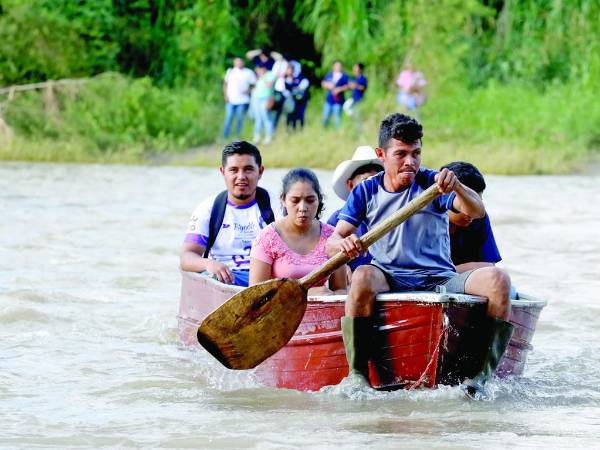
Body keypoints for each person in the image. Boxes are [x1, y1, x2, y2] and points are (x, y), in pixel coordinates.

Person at [326, 113, 513, 399]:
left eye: (416, 153)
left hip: (439, 278)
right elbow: (333, 239)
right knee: (362, 276)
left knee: (499, 281)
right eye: (400, 154)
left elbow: (476, 211)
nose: (410, 162)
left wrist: (458, 187)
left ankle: (481, 378)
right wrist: (343, 244)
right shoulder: (365, 190)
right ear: (381, 155)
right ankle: (357, 376)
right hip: (388, 276)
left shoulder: (431, 182)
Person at [180, 141, 281, 287]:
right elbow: (186, 257)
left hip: (267, 281)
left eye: (248, 169)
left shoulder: (277, 205)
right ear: (223, 172)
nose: (241, 177)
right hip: (225, 280)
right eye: (234, 170)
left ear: (260, 172)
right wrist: (209, 264)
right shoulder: (208, 208)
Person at [250, 168, 347, 295]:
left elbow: (341, 290)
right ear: (283, 200)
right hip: (279, 313)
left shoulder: (332, 237)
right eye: (295, 201)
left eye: (310, 200)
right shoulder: (267, 238)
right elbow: (255, 296)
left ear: (319, 200)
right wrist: (306, 294)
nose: (302, 208)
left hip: (322, 310)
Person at [327, 146, 382, 273]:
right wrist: (343, 269)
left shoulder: (391, 213)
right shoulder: (337, 219)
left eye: (377, 181)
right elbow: (327, 251)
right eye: (366, 181)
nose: (371, 187)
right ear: (351, 185)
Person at [222, 57, 256, 140]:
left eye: (240, 62)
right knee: (228, 118)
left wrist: (248, 91)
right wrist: (225, 95)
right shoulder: (230, 72)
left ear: (243, 63)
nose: (238, 64)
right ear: (234, 63)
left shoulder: (248, 72)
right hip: (231, 99)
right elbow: (225, 84)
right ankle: (225, 137)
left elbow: (254, 84)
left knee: (239, 118)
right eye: (237, 62)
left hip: (242, 100)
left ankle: (237, 136)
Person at [251, 65, 276, 145]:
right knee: (258, 119)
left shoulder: (270, 75)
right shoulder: (257, 76)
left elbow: (269, 86)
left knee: (266, 118)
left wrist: (262, 77)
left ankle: (268, 137)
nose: (259, 70)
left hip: (265, 99)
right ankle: (256, 137)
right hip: (256, 99)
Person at [321, 61, 349, 128]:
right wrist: (328, 85)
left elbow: (348, 86)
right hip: (329, 100)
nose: (338, 67)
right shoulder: (329, 75)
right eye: (336, 66)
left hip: (338, 101)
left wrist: (339, 89)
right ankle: (324, 130)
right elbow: (323, 83)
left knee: (337, 118)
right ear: (333, 66)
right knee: (325, 117)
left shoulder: (344, 76)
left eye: (339, 66)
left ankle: (337, 133)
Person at [283, 65, 310, 131]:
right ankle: (290, 128)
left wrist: (296, 89)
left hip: (300, 101)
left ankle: (300, 129)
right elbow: (285, 90)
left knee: (300, 114)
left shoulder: (300, 78)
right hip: (291, 101)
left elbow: (303, 86)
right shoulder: (285, 79)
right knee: (290, 115)